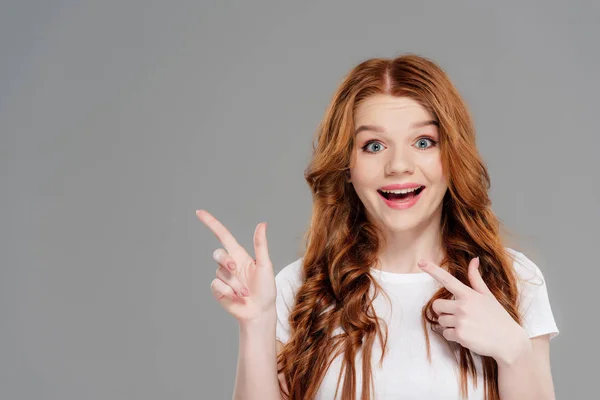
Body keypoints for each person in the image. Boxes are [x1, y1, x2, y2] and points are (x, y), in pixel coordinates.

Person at [196, 54, 559, 400]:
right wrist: (257, 323)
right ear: (347, 168)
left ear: (452, 156)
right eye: (373, 145)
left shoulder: (513, 280)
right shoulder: (297, 289)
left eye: (423, 142)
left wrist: (514, 352)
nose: (398, 165)